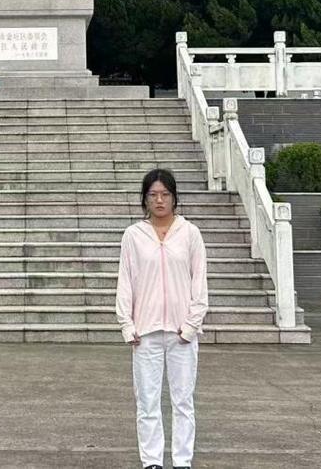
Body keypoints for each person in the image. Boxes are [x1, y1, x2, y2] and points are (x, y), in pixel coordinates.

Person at [115, 168, 209, 469]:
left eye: (165, 194)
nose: (159, 200)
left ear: (174, 198)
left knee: (183, 402)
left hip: (182, 333)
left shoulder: (190, 233)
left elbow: (200, 283)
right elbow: (125, 281)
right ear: (144, 200)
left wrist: (191, 325)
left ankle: (182, 461)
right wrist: (127, 326)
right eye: (153, 195)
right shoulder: (133, 235)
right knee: (147, 403)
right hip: (146, 333)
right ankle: (152, 462)